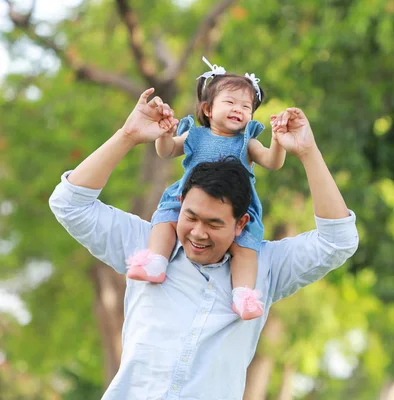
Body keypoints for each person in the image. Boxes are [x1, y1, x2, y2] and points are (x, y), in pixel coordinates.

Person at [49, 87, 359, 400]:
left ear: (241, 224)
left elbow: (338, 241)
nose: (197, 233)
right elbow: (69, 204)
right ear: (180, 202)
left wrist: (308, 153)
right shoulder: (146, 244)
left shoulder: (265, 268)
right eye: (190, 217)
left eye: (214, 224)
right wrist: (128, 135)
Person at [126, 58, 285, 320]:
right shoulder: (196, 136)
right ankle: (155, 261)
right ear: (208, 109)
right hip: (189, 197)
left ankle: (243, 295)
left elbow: (272, 162)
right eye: (230, 103)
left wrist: (279, 141)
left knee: (245, 246)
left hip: (234, 206)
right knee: (165, 220)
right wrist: (164, 134)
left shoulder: (248, 142)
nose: (239, 110)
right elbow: (165, 152)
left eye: (246, 106)